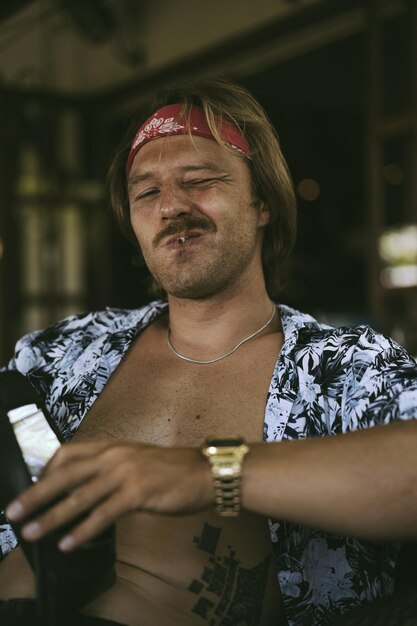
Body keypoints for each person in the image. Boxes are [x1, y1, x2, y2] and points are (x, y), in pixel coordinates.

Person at [0, 78, 417, 626]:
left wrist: (208, 474)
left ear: (263, 202)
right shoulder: (63, 352)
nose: (171, 205)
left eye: (199, 181)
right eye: (146, 192)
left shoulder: (342, 366)